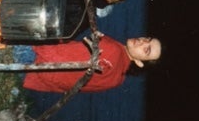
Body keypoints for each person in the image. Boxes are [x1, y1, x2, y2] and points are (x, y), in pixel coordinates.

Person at [23, 33, 161, 93]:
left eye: (147, 50)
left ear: (140, 63)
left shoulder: (114, 52)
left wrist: (34, 42)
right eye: (148, 39)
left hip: (31, 58)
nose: (143, 41)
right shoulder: (118, 78)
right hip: (33, 77)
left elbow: (59, 56)